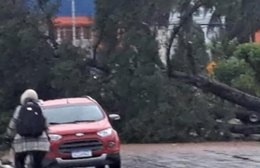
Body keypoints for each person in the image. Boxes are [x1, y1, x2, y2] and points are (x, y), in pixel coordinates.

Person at [4, 89, 50, 168]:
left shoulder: (19, 109)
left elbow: (13, 125)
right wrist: (48, 136)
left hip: (21, 143)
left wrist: (8, 137)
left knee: (19, 161)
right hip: (40, 143)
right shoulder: (40, 108)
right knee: (38, 163)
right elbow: (45, 125)